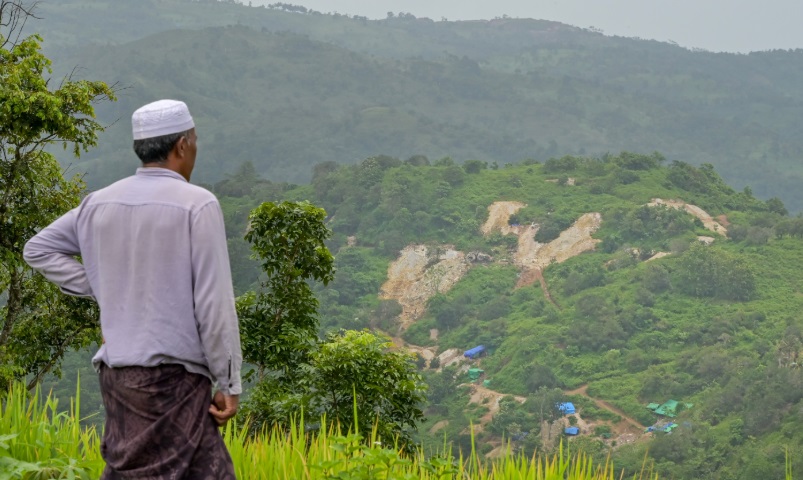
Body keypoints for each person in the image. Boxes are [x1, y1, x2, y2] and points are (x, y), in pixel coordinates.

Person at [24, 99, 242, 479]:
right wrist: (228, 380)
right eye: (194, 140)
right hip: (171, 381)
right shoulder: (197, 205)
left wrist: (105, 285)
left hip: (119, 378)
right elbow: (214, 303)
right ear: (182, 146)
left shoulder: (98, 203)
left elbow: (38, 249)